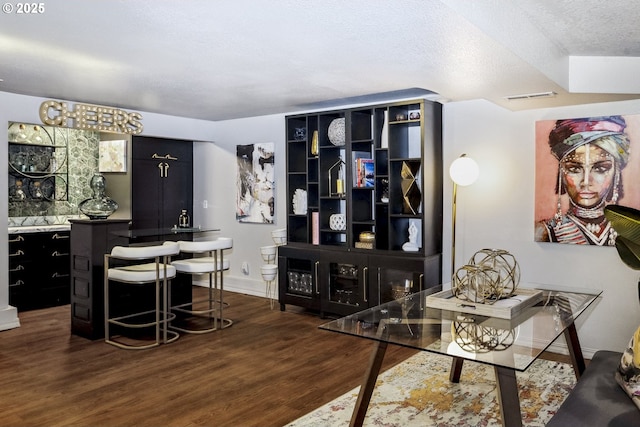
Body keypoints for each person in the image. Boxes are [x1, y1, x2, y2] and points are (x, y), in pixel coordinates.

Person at [535, 116, 631, 245]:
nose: (586, 181)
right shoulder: (544, 232)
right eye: (574, 169)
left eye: (601, 169)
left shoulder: (630, 232)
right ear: (561, 173)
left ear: (616, 173)